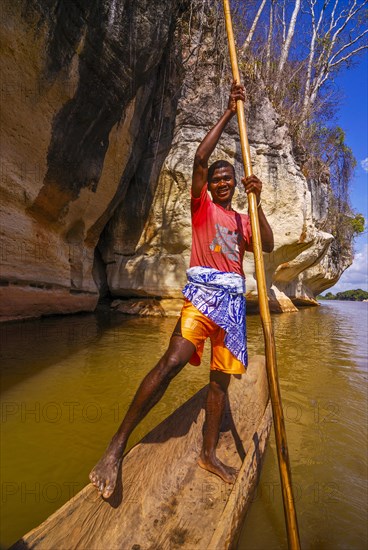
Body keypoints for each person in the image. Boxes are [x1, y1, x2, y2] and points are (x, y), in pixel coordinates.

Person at [89, 81, 274, 498]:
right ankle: (116, 447)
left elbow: (268, 244)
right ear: (209, 186)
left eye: (229, 181)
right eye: (218, 180)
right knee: (171, 362)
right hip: (203, 299)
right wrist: (229, 112)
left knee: (219, 383)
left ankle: (208, 454)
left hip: (232, 307)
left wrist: (257, 201)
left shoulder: (242, 220)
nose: (224, 184)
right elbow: (200, 156)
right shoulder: (202, 206)